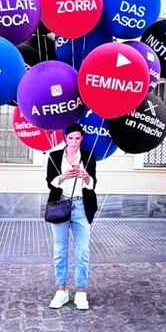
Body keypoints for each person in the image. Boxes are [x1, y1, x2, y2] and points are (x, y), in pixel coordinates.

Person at [46, 122, 97, 311]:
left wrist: (85, 177)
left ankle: (81, 292)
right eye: (70, 138)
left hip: (81, 206)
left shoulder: (89, 157)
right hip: (60, 205)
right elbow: (50, 183)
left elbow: (93, 183)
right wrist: (64, 176)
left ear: (81, 139)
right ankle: (62, 290)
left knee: (82, 250)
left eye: (77, 138)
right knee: (60, 249)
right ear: (65, 139)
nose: (74, 142)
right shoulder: (54, 156)